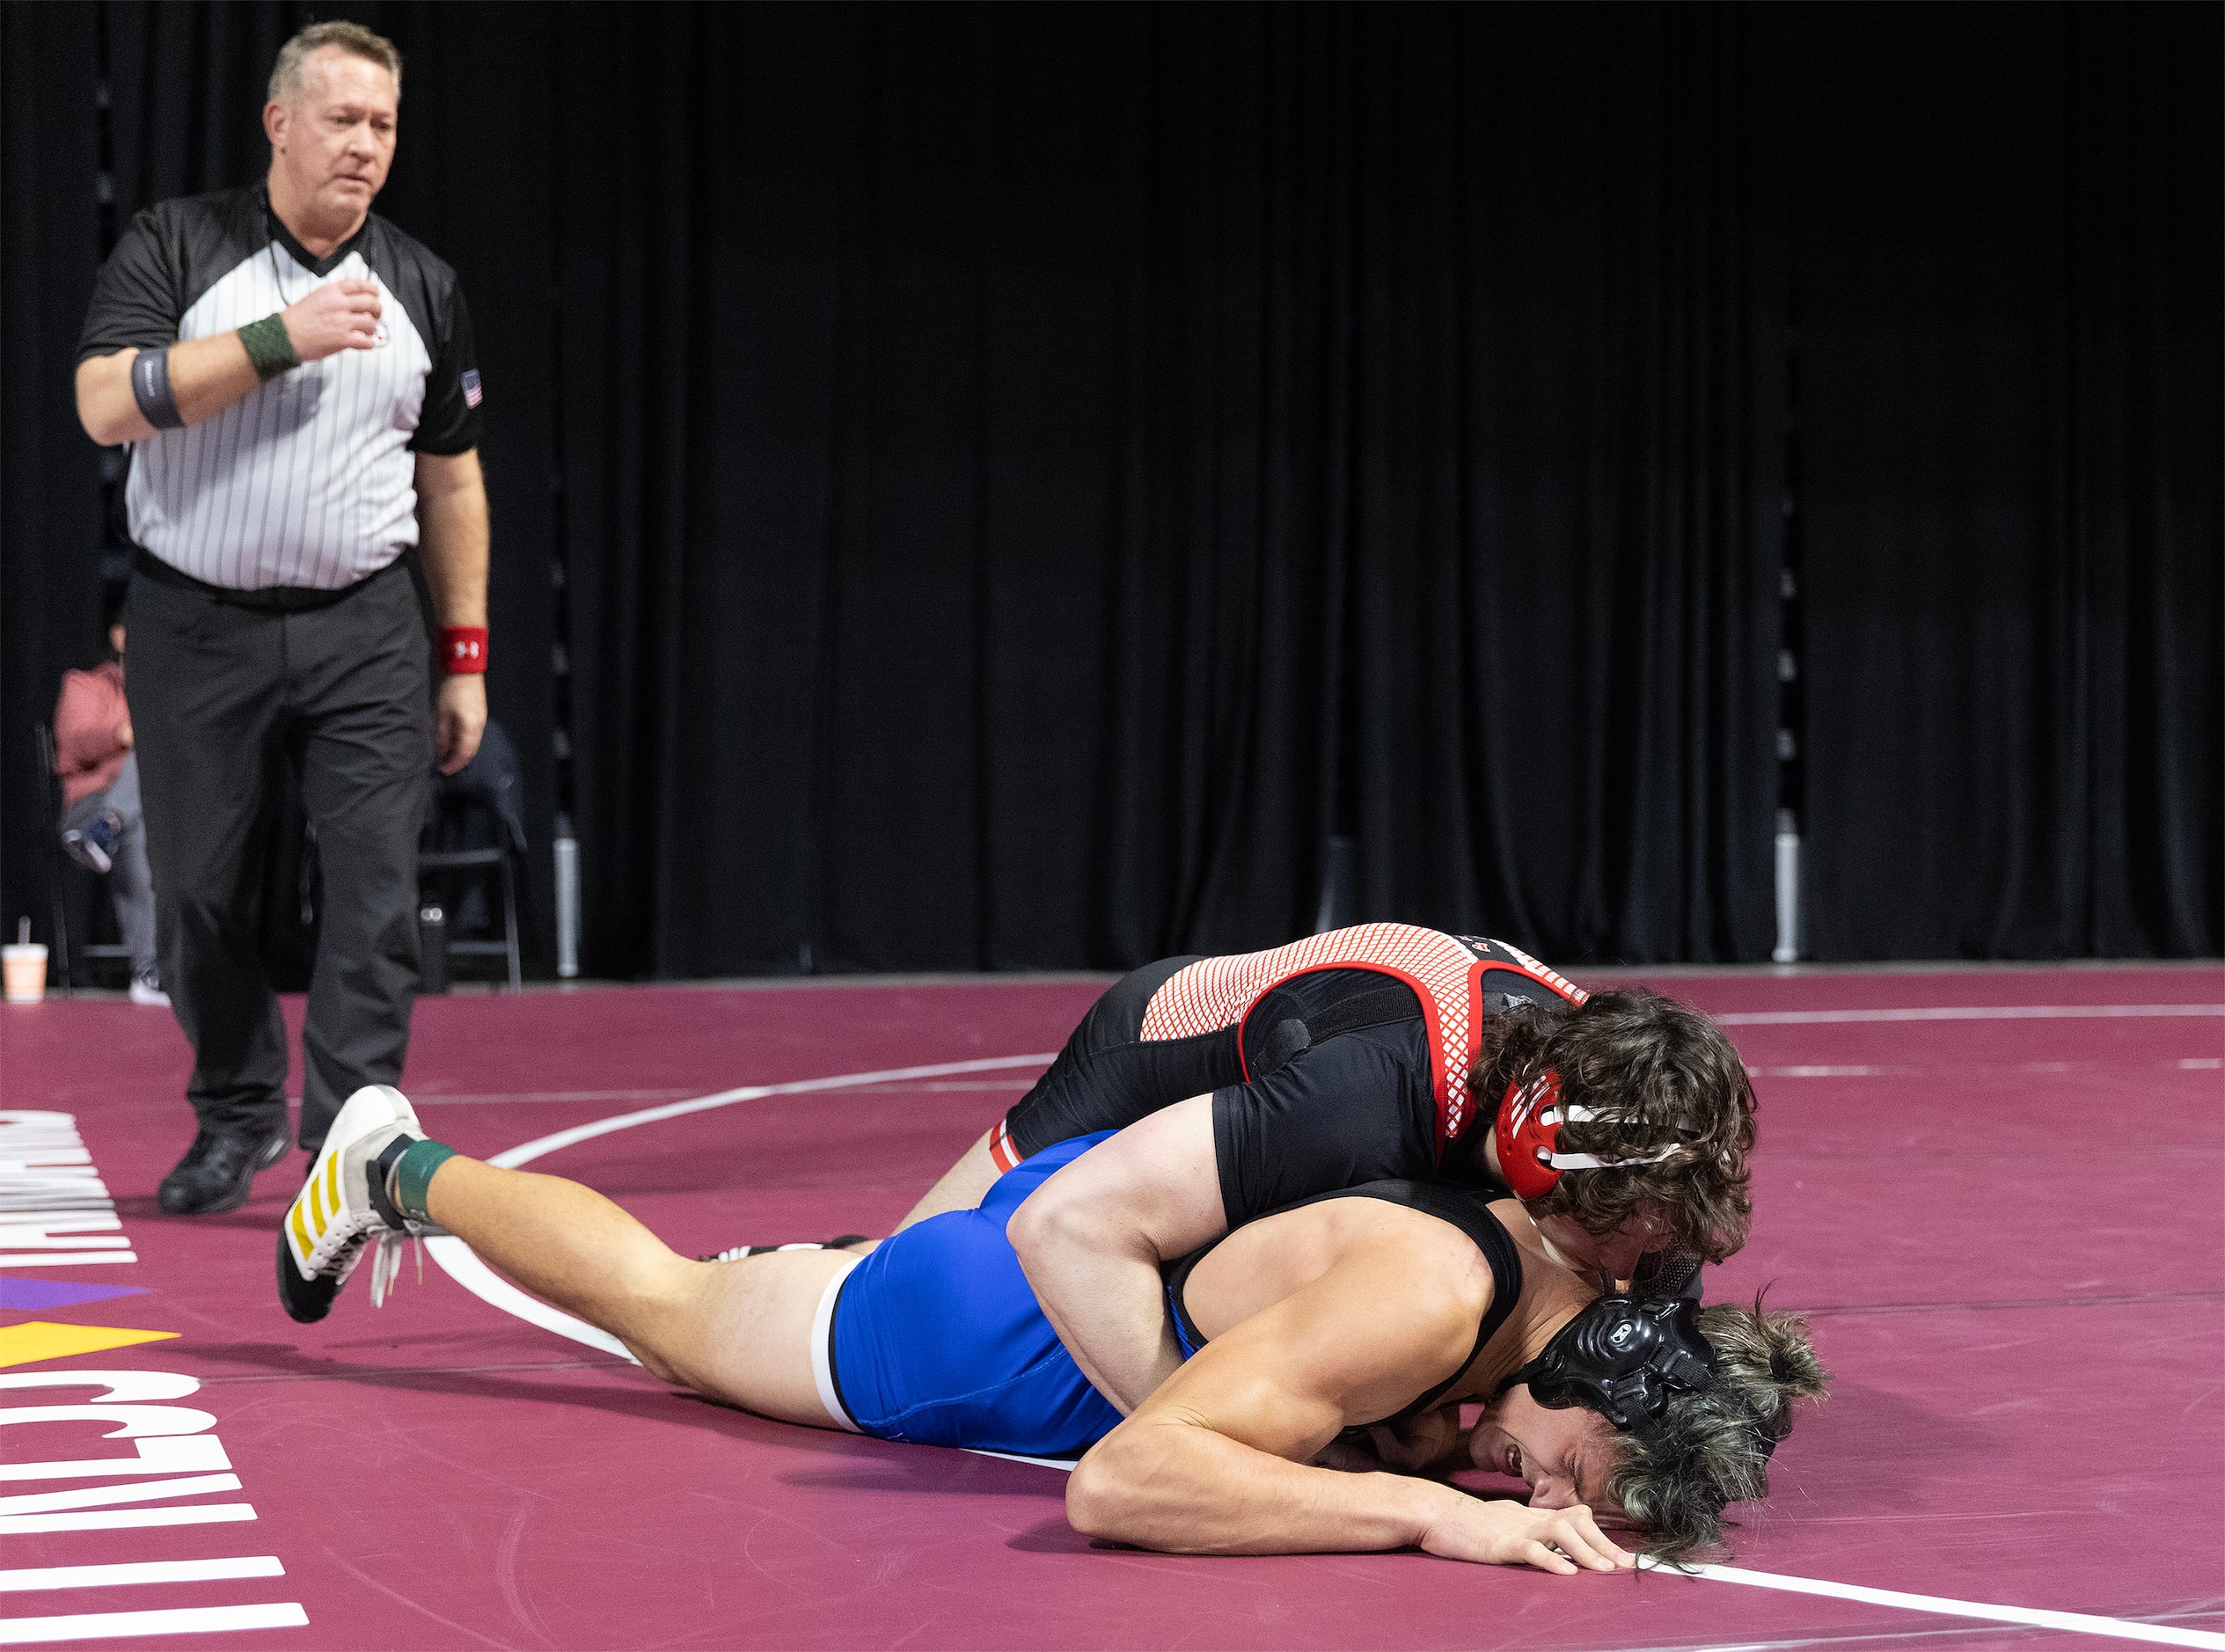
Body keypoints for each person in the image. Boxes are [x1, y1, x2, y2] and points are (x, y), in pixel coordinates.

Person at [278, 1085, 1823, 1568]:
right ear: (1607, 1373)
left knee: (699, 1301)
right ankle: (396, 1166)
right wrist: (1430, 1516)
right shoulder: (1432, 1298)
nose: (1549, 1495)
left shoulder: (1507, 1256)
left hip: (1074, 1254)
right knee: (671, 1311)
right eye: (1581, 1473)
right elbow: (1124, 1483)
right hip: (984, 1339)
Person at [72, 21, 491, 1214]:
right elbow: (105, 404)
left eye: (386, 126)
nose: (366, 146)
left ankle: (349, 1156)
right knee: (196, 888)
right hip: (194, 620)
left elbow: (453, 478)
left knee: (372, 896)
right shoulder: (178, 242)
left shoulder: (424, 284)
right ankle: (239, 1110)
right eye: (344, 120)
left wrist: (464, 658)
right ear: (280, 124)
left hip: (366, 622)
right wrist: (275, 342)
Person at [898, 923, 1758, 1413]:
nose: (1628, 1278)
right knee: (899, 1274)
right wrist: (1189, 1435)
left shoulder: (1645, 1156)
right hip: (1151, 1051)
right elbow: (1066, 1224)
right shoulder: (1364, 1101)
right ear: (1534, 1164)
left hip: (1400, 1100)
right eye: (1615, 1243)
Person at [51, 611, 166, 1006]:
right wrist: (123, 735)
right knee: (141, 759)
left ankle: (107, 829)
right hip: (88, 806)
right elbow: (74, 744)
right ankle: (150, 971)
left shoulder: (163, 690)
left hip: (155, 811)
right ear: (119, 636)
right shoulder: (84, 685)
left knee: (144, 824)